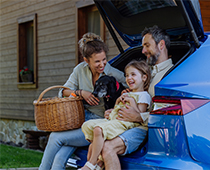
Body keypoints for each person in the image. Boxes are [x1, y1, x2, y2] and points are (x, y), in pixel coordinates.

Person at [39, 32, 126, 170]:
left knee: (55, 137)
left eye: (104, 59)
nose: (102, 64)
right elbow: (63, 92)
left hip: (97, 123)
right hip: (79, 119)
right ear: (86, 60)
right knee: (59, 158)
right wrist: (81, 93)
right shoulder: (80, 70)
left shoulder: (113, 74)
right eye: (97, 61)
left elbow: (133, 88)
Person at [97, 25, 173, 170]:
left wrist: (139, 117)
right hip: (128, 126)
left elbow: (164, 113)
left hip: (150, 132)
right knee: (98, 143)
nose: (143, 51)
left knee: (107, 148)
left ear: (161, 45)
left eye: (147, 45)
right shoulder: (144, 72)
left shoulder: (171, 75)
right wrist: (115, 112)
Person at [80, 60, 152, 170]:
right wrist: (117, 104)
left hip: (132, 125)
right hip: (119, 121)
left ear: (144, 78)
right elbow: (118, 109)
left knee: (102, 139)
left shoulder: (143, 96)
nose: (129, 78)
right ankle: (96, 164)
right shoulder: (127, 93)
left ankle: (92, 164)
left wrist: (131, 101)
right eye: (127, 75)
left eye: (133, 74)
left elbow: (139, 115)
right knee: (91, 144)